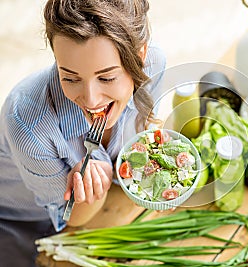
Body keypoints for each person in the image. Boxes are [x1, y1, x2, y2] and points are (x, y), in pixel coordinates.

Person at [0, 0, 165, 265]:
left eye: (107, 78)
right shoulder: (26, 124)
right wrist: (91, 191)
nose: (90, 99)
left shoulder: (155, 65)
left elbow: (138, 131)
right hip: (20, 223)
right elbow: (71, 217)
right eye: (70, 77)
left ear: (140, 57)